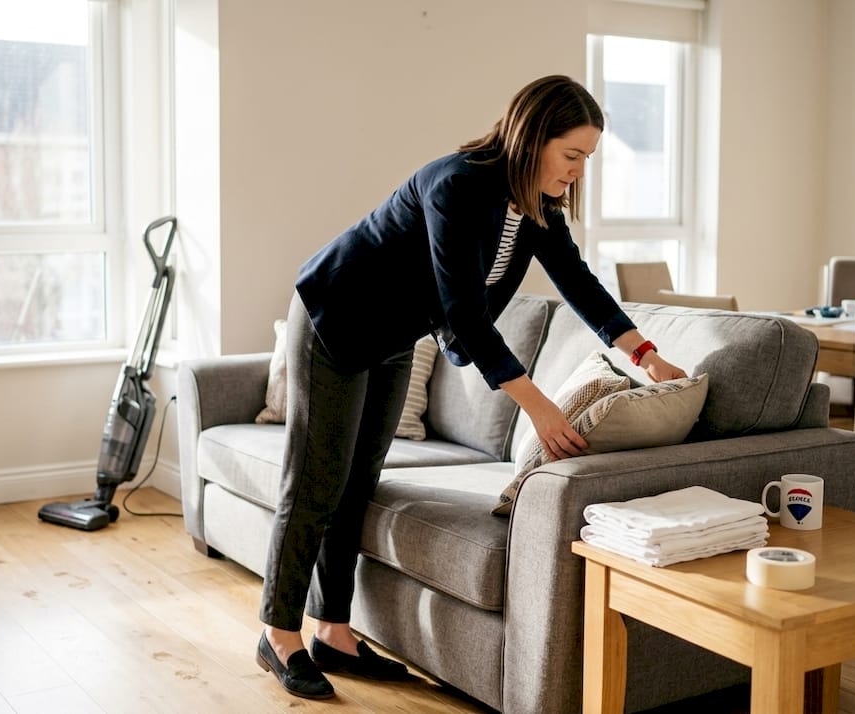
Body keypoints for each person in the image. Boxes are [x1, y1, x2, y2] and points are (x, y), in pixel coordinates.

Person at [254, 74, 688, 700]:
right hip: (337, 317)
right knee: (317, 478)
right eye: (571, 155)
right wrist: (538, 407)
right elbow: (465, 313)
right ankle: (278, 632)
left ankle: (332, 631)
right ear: (532, 138)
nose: (577, 171)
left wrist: (645, 355)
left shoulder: (536, 205)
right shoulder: (457, 184)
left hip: (395, 334)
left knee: (357, 483)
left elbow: (577, 280)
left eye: (587, 159)